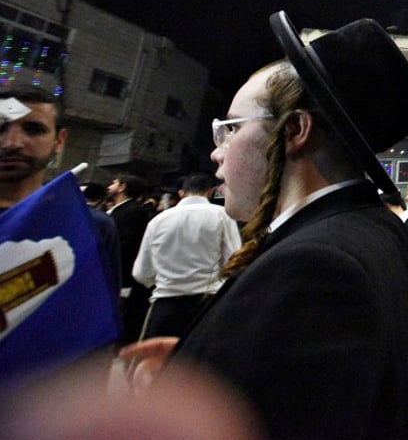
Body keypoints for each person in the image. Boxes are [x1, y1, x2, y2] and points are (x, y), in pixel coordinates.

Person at [120, 12, 408, 440]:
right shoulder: (377, 233)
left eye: (230, 129)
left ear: (294, 131)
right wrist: (204, 365)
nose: (217, 153)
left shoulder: (316, 268)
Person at [0, 87, 121, 353]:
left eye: (33, 129)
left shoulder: (91, 228)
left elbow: (97, 331)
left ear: (59, 140)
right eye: (1, 127)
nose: (12, 142)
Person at [132, 172, 241, 338]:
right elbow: (234, 262)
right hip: (206, 303)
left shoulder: (158, 220)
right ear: (211, 191)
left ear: (181, 193)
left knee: (154, 361)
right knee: (198, 362)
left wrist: (166, 279)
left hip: (165, 304)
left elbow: (140, 273)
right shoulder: (222, 216)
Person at [108, 172, 153, 341]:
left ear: (122, 187)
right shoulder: (122, 209)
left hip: (122, 277)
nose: (109, 186)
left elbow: (125, 246)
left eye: (114, 182)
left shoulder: (132, 212)